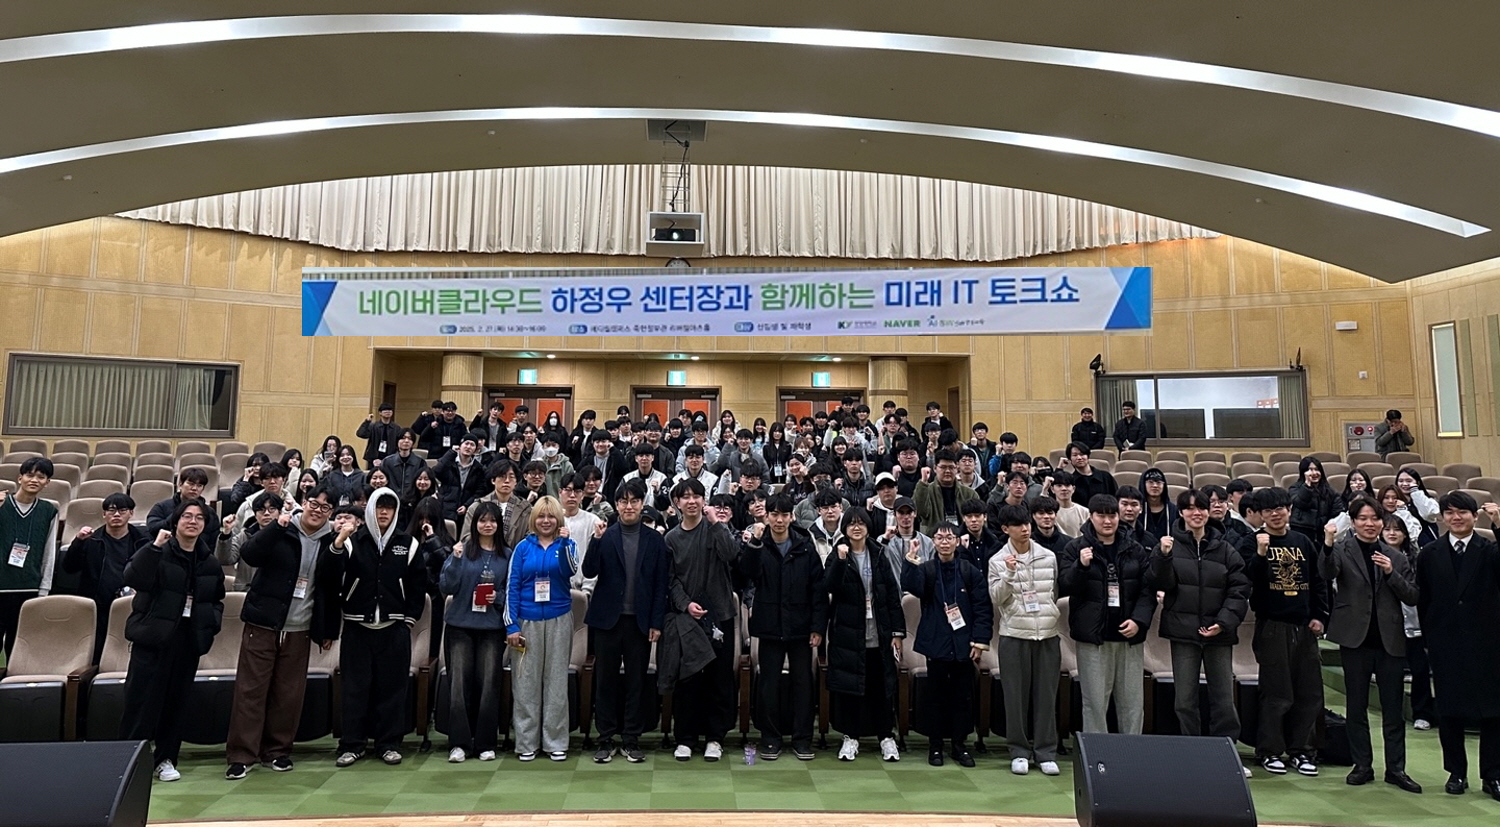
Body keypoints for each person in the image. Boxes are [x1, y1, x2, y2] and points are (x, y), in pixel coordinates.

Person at [225, 482, 347, 780]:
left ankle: (277, 751)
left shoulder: (332, 540)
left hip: (300, 628)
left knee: (288, 695)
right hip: (263, 623)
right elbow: (250, 555)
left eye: (325, 507)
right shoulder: (283, 528)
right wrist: (276, 527)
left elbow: (332, 587)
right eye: (314, 504)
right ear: (304, 502)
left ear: (331, 512)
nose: (317, 511)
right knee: (250, 691)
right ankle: (242, 755)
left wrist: (328, 629)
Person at [1319, 496, 1422, 793]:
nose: (1369, 524)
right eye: (1362, 518)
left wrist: (1390, 572)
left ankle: (1396, 769)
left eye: (1375, 518)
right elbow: (1326, 572)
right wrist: (1328, 543)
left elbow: (1412, 595)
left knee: (1393, 709)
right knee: (1356, 706)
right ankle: (1362, 765)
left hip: (1390, 640)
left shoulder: (1396, 556)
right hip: (1355, 639)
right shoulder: (1342, 549)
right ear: (1353, 522)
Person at [119, 498, 225, 783]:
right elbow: (134, 577)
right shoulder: (158, 550)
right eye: (187, 516)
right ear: (176, 522)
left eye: (199, 518)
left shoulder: (209, 562)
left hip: (187, 640)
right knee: (140, 702)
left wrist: (210, 625)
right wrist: (154, 547)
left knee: (176, 704)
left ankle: (165, 759)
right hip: (152, 639)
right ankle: (129, 761)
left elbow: (216, 599)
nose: (193, 521)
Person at [1151, 490, 1250, 755]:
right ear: (1181, 513)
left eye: (1201, 508)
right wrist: (1163, 557)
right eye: (1190, 508)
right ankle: (1191, 752)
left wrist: (1223, 622)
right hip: (1183, 633)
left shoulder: (1225, 548)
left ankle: (1225, 752)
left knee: (1223, 699)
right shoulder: (1168, 546)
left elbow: (1239, 590)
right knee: (1184, 700)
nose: (1197, 513)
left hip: (1219, 634)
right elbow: (1161, 584)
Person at [334, 487, 427, 768]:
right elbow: (332, 576)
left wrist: (408, 620)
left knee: (393, 690)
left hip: (394, 629)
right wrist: (339, 541)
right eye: (379, 506)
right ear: (370, 509)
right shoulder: (353, 541)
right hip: (357, 629)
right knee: (354, 689)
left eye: (389, 507)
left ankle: (389, 744)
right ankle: (352, 745)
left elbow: (418, 586)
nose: (384, 512)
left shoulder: (408, 544)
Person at [1416, 493, 1500, 799]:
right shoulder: (1429, 553)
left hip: (1488, 643)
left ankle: (1493, 775)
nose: (1456, 517)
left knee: (1493, 713)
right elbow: (1424, 599)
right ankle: (1456, 772)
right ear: (1441, 518)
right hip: (1445, 643)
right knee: (1449, 712)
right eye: (1449, 512)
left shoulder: (1489, 549)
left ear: (1475, 516)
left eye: (1462, 512)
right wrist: (1430, 638)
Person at [1241, 486, 1328, 778]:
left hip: (1304, 626)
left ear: (1289, 510)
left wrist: (1319, 616)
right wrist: (1261, 554)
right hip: (1272, 626)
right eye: (1268, 510)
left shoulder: (1303, 541)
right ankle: (1270, 751)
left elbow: (1317, 581)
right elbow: (1247, 580)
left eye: (1280, 508)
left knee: (1309, 693)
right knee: (1277, 692)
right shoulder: (1252, 542)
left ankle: (1302, 751)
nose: (1275, 514)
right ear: (1259, 514)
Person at [583, 480, 669, 764]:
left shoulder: (654, 539)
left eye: (634, 501)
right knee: (605, 681)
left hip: (640, 622)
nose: (629, 506)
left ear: (642, 504)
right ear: (617, 505)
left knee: (636, 681)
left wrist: (656, 622)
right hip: (607, 620)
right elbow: (589, 570)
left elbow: (660, 584)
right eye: (623, 501)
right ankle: (606, 738)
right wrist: (595, 541)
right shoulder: (605, 535)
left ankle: (631, 738)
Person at [737, 493, 826, 761]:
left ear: (791, 517)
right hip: (769, 626)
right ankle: (770, 738)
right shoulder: (759, 544)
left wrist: (817, 627)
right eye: (774, 514)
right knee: (769, 684)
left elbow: (818, 590)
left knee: (803, 683)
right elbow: (746, 573)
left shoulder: (805, 545)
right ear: (766, 516)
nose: (779, 520)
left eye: (784, 515)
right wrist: (754, 542)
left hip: (800, 626)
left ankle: (802, 739)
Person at [1058, 494, 1155, 735]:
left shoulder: (1135, 549)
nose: (1107, 521)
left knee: (1132, 704)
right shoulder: (1075, 548)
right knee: (1094, 704)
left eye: (1112, 515)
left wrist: (1139, 621)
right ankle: (1097, 753)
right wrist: (1080, 566)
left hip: (1129, 639)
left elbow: (1148, 590)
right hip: (1093, 639)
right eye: (1101, 515)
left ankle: (1131, 752)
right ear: (1091, 517)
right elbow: (1065, 586)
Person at [662, 478, 740, 762]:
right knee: (688, 679)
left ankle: (715, 738)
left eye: (697, 496)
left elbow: (731, 554)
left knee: (719, 679)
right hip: (688, 618)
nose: (691, 501)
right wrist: (685, 604)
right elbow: (670, 580)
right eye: (685, 497)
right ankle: (685, 738)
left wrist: (716, 522)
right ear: (677, 503)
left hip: (720, 614)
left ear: (704, 500)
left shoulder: (716, 528)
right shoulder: (671, 539)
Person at [901, 521, 992, 767]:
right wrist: (911, 560)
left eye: (949, 538)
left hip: (964, 643)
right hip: (936, 642)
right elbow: (911, 586)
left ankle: (960, 745)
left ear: (957, 541)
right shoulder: (927, 569)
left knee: (963, 697)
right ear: (933, 541)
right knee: (935, 697)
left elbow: (983, 607)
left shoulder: (969, 571)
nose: (944, 542)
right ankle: (935, 746)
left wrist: (980, 641)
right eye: (939, 538)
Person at [822, 507, 904, 763]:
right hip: (848, 633)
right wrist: (840, 561)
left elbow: (892, 595)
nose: (856, 528)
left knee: (881, 686)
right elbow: (829, 586)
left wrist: (897, 632)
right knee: (850, 688)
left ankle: (886, 736)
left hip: (879, 631)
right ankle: (850, 737)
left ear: (868, 527)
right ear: (845, 528)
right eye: (851, 524)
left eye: (861, 523)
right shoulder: (838, 554)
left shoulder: (879, 553)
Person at [505, 496, 583, 761]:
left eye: (551, 516)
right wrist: (511, 625)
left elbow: (570, 571)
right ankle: (527, 743)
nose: (546, 521)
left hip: (559, 618)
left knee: (556, 682)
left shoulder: (567, 545)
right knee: (525, 682)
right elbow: (512, 586)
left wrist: (565, 542)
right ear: (534, 519)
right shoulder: (522, 548)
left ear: (558, 519)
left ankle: (555, 742)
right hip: (526, 622)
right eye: (541, 516)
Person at [987, 504, 1062, 776]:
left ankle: (1046, 752)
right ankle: (1018, 751)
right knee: (1015, 697)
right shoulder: (997, 560)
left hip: (1047, 635)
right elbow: (996, 598)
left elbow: (1054, 593)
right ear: (1005, 529)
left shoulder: (1048, 556)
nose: (1025, 529)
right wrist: (1009, 573)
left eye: (1027, 523)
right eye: (1018, 525)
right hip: (1014, 635)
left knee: (1046, 696)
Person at [438, 500, 510, 763]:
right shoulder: (462, 550)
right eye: (482, 520)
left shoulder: (507, 555)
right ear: (474, 523)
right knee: (458, 685)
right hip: (460, 627)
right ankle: (459, 743)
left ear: (499, 524)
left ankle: (485, 743)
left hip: (491, 628)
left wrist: (497, 597)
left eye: (492, 520)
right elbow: (447, 587)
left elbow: (512, 592)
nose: (487, 525)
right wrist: (455, 560)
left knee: (489, 685)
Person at [64, 492, 148, 662]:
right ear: (104, 514)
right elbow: (69, 568)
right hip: (98, 607)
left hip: (133, 606)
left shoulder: (143, 541)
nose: (116, 515)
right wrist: (78, 542)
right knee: (97, 654)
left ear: (131, 513)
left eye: (122, 510)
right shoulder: (91, 540)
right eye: (111, 510)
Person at [0, 457, 60, 659]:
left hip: (28, 588)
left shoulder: (49, 511)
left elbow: (49, 553)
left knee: (18, 648)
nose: (34, 480)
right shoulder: (2, 503)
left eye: (41, 477)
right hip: (1, 585)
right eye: (30, 475)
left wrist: (44, 589)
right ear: (20, 478)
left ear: (47, 482)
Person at [1382, 517, 1433, 733]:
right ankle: (1393, 714)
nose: (1392, 533)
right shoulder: (1374, 555)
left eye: (1397, 530)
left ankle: (1422, 714)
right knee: (1391, 673)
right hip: (1387, 625)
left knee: (1420, 670)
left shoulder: (1417, 559)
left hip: (1414, 622)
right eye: (1387, 529)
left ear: (1405, 534)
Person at [913, 449, 980, 536]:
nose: (947, 471)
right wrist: (923, 482)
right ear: (935, 468)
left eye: (951, 467)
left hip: (963, 538)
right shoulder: (926, 490)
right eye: (943, 467)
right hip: (935, 538)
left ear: (957, 468)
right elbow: (920, 512)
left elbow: (978, 518)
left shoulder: (969, 494)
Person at [145, 466, 220, 539]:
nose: (194, 488)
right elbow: (152, 529)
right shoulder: (161, 507)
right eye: (191, 484)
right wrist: (176, 515)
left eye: (199, 485)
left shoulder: (210, 512)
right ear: (180, 485)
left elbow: (214, 539)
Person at [1289, 457, 1339, 541]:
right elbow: (1300, 503)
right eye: (1310, 470)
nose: (1314, 473)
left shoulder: (1329, 491)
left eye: (1317, 469)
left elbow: (1337, 511)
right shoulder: (1295, 488)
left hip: (1322, 532)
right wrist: (1307, 486)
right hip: (1301, 530)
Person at [358, 403, 404, 470]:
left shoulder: (396, 428)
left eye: (390, 410)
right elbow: (361, 434)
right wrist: (367, 422)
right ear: (380, 413)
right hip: (374, 458)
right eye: (385, 410)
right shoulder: (373, 426)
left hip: (390, 459)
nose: (388, 412)